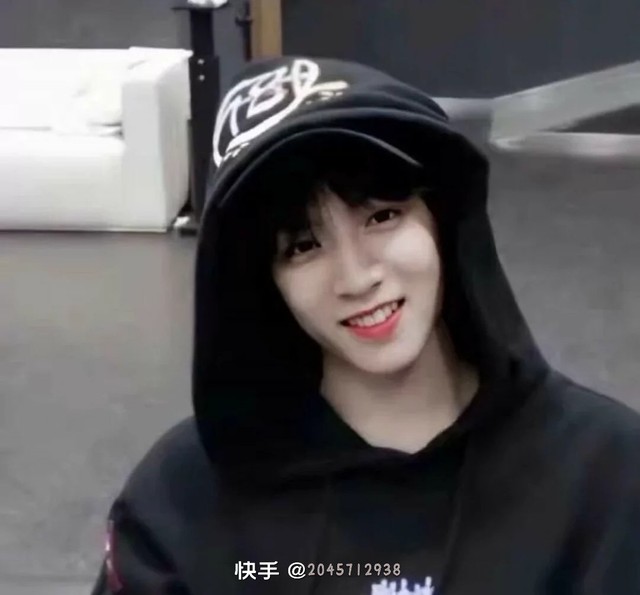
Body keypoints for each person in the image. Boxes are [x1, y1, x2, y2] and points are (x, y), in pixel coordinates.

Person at [90, 57, 640, 595]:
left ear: (442, 220)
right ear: (265, 283)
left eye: (382, 216)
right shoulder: (180, 501)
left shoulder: (606, 479)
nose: (355, 277)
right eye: (303, 247)